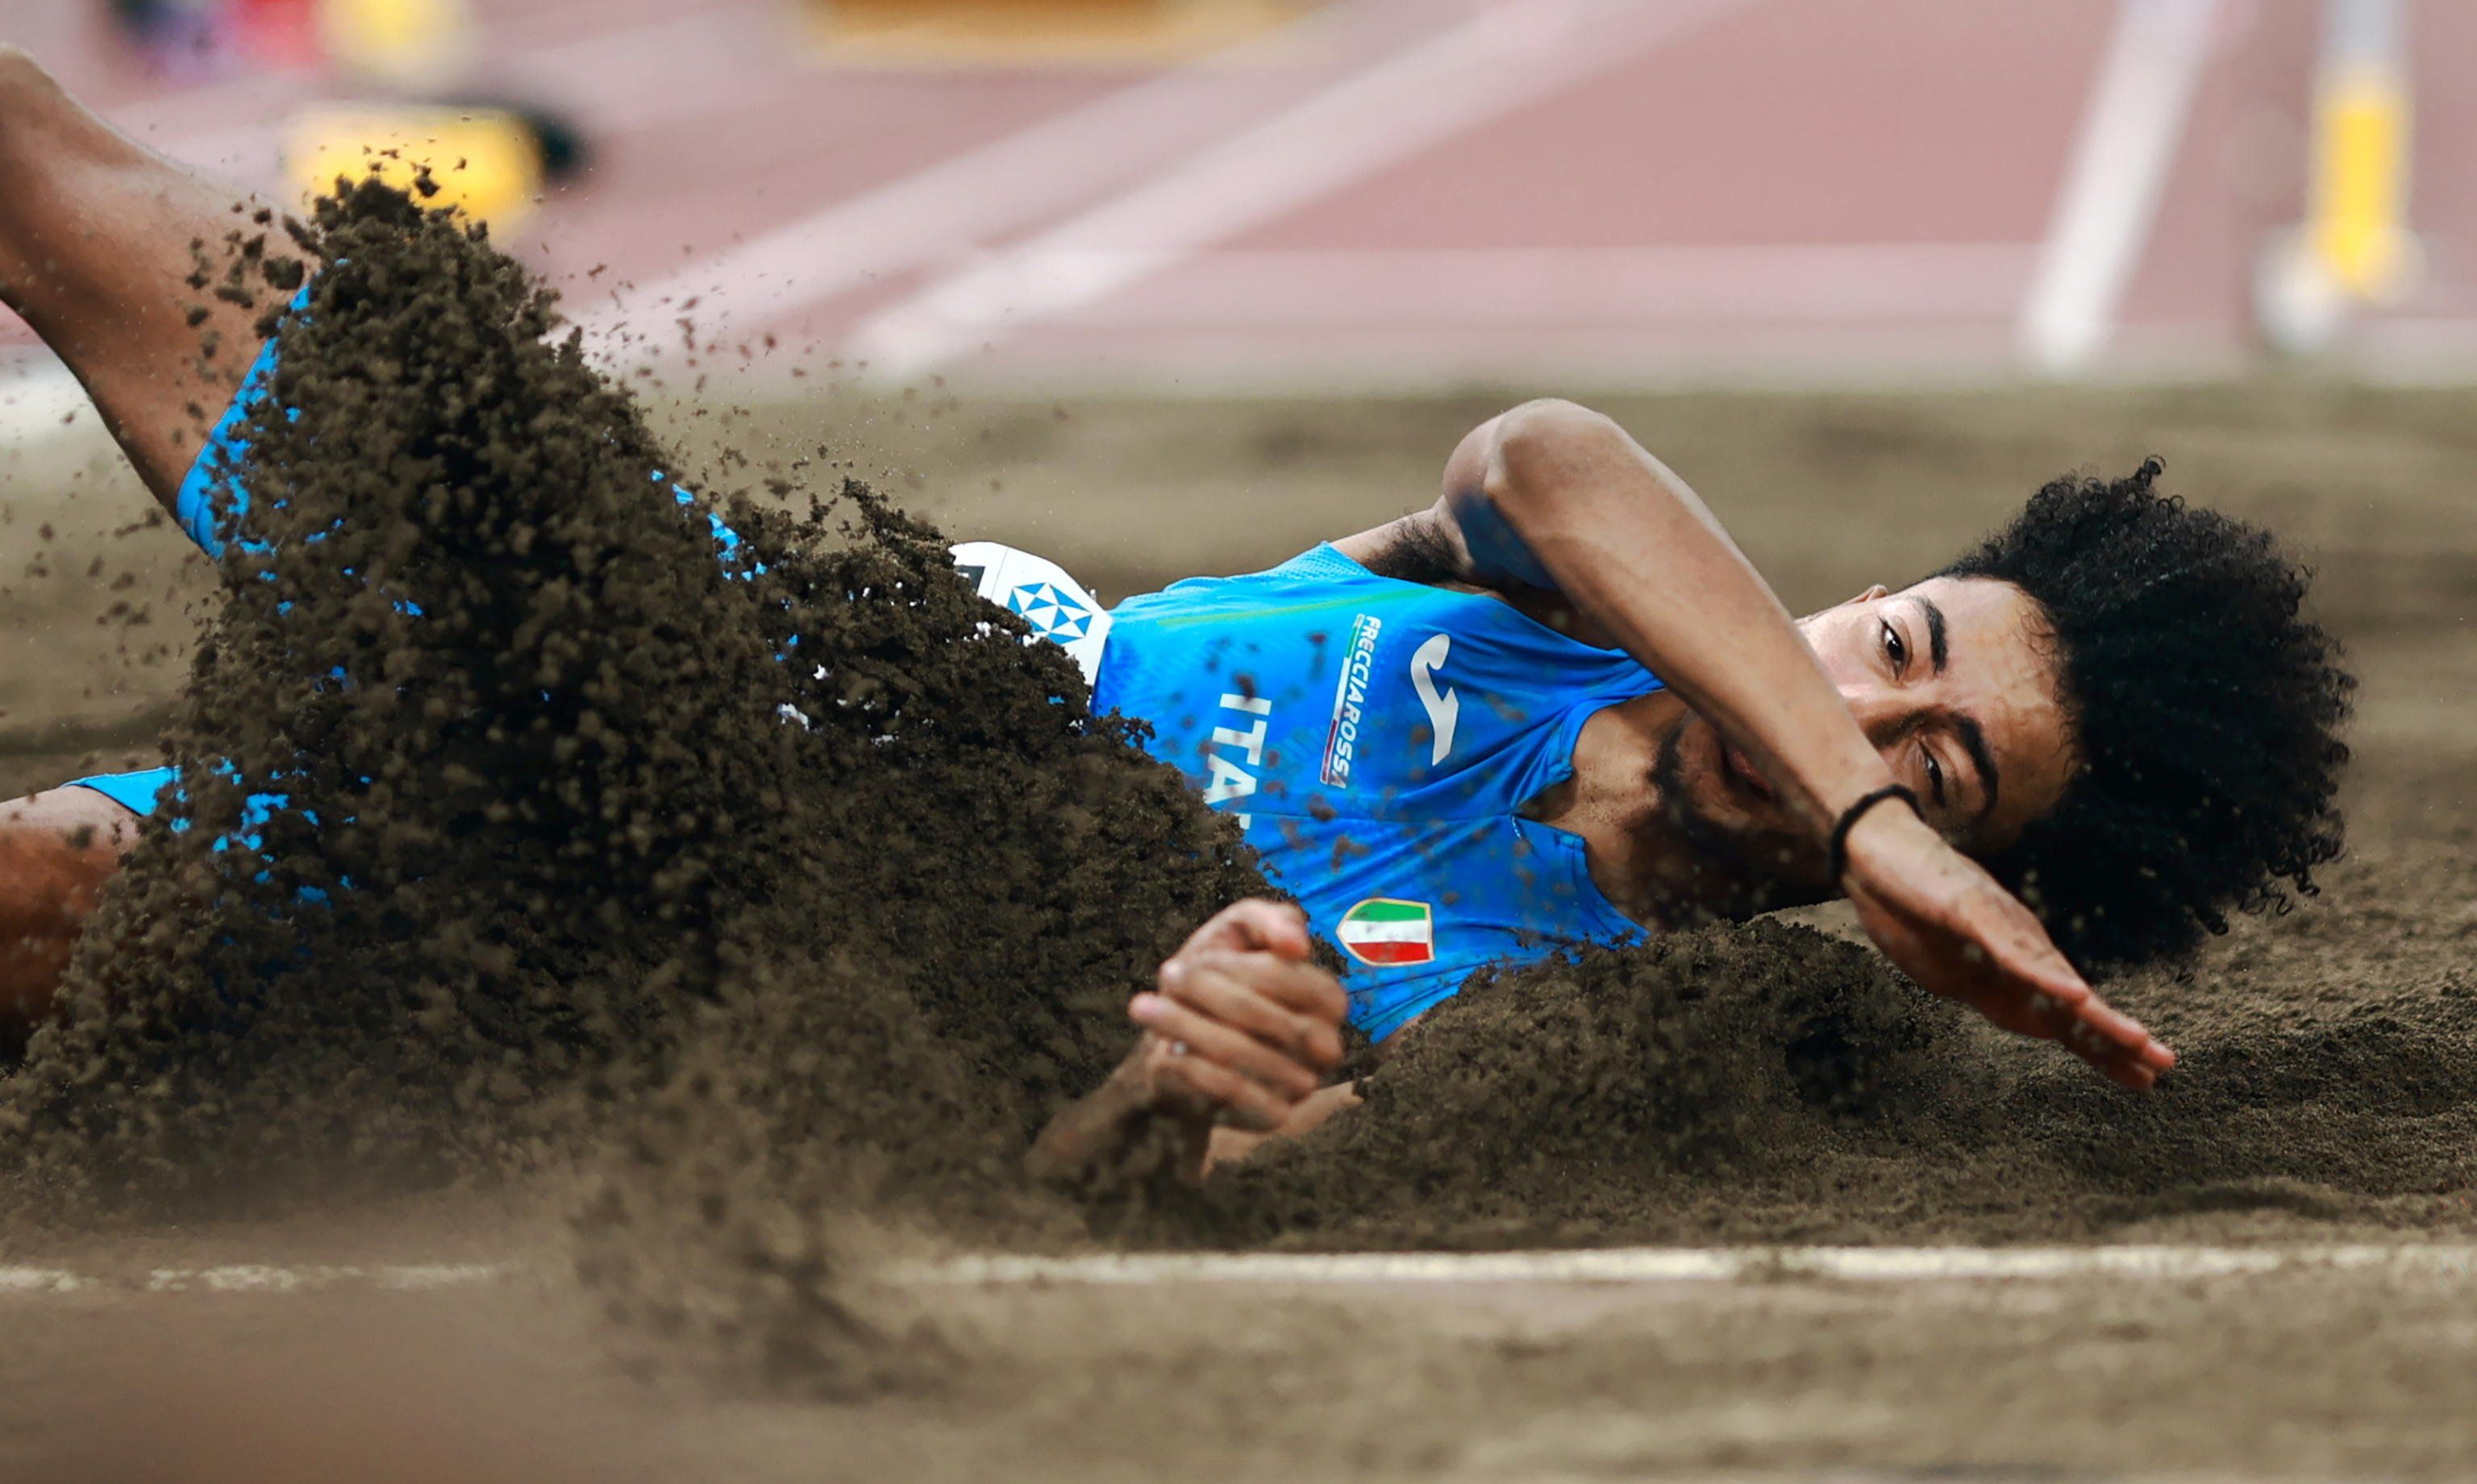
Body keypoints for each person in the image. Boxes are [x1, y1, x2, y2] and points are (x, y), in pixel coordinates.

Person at [0, 49, 2350, 1181]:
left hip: (665, 910)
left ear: (1977, 907)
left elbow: (1103, 1176)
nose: (1854, 703)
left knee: (42, 899)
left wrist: (1192, 1083)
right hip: (696, 647)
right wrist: (1868, 803)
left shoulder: (1632, 1029)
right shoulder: (1573, 597)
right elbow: (1542, 445)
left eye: (1950, 776)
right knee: (58, 160)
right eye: (1897, 642)